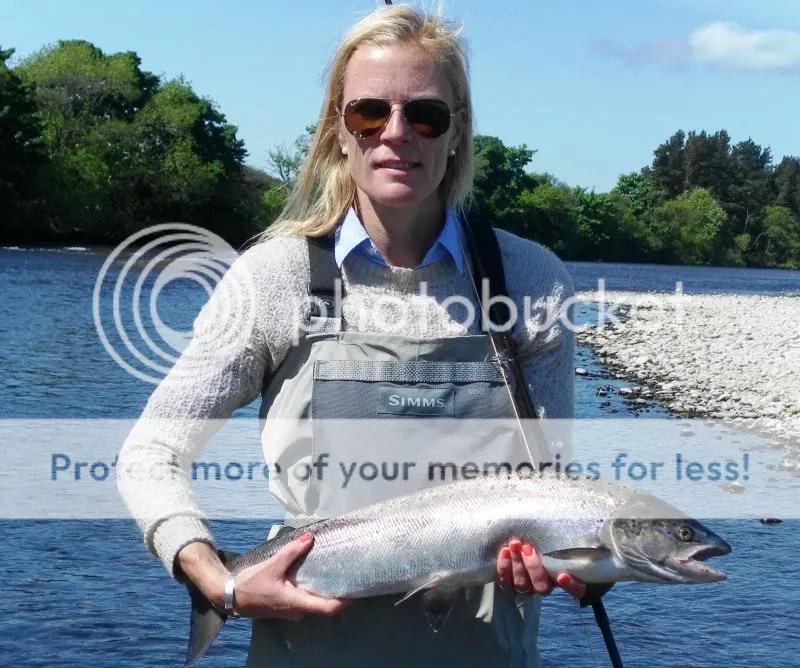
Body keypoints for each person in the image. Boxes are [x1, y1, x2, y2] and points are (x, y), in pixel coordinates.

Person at [117, 5, 582, 667]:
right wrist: (216, 580)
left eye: (425, 115)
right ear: (338, 128)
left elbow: (551, 487)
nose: (396, 133)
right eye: (369, 112)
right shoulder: (274, 277)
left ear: (458, 132)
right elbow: (150, 452)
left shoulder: (531, 280)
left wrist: (576, 563)